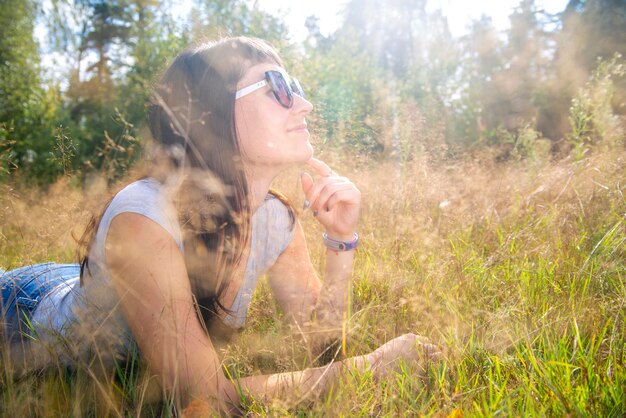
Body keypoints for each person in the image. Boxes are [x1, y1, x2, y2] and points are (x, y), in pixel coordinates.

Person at [0, 37, 438, 413]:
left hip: (84, 283)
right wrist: (372, 365)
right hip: (22, 311)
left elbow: (321, 346)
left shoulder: (274, 219)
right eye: (278, 88)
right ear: (209, 113)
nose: (304, 104)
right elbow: (203, 400)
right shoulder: (143, 218)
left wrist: (341, 241)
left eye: (297, 87)